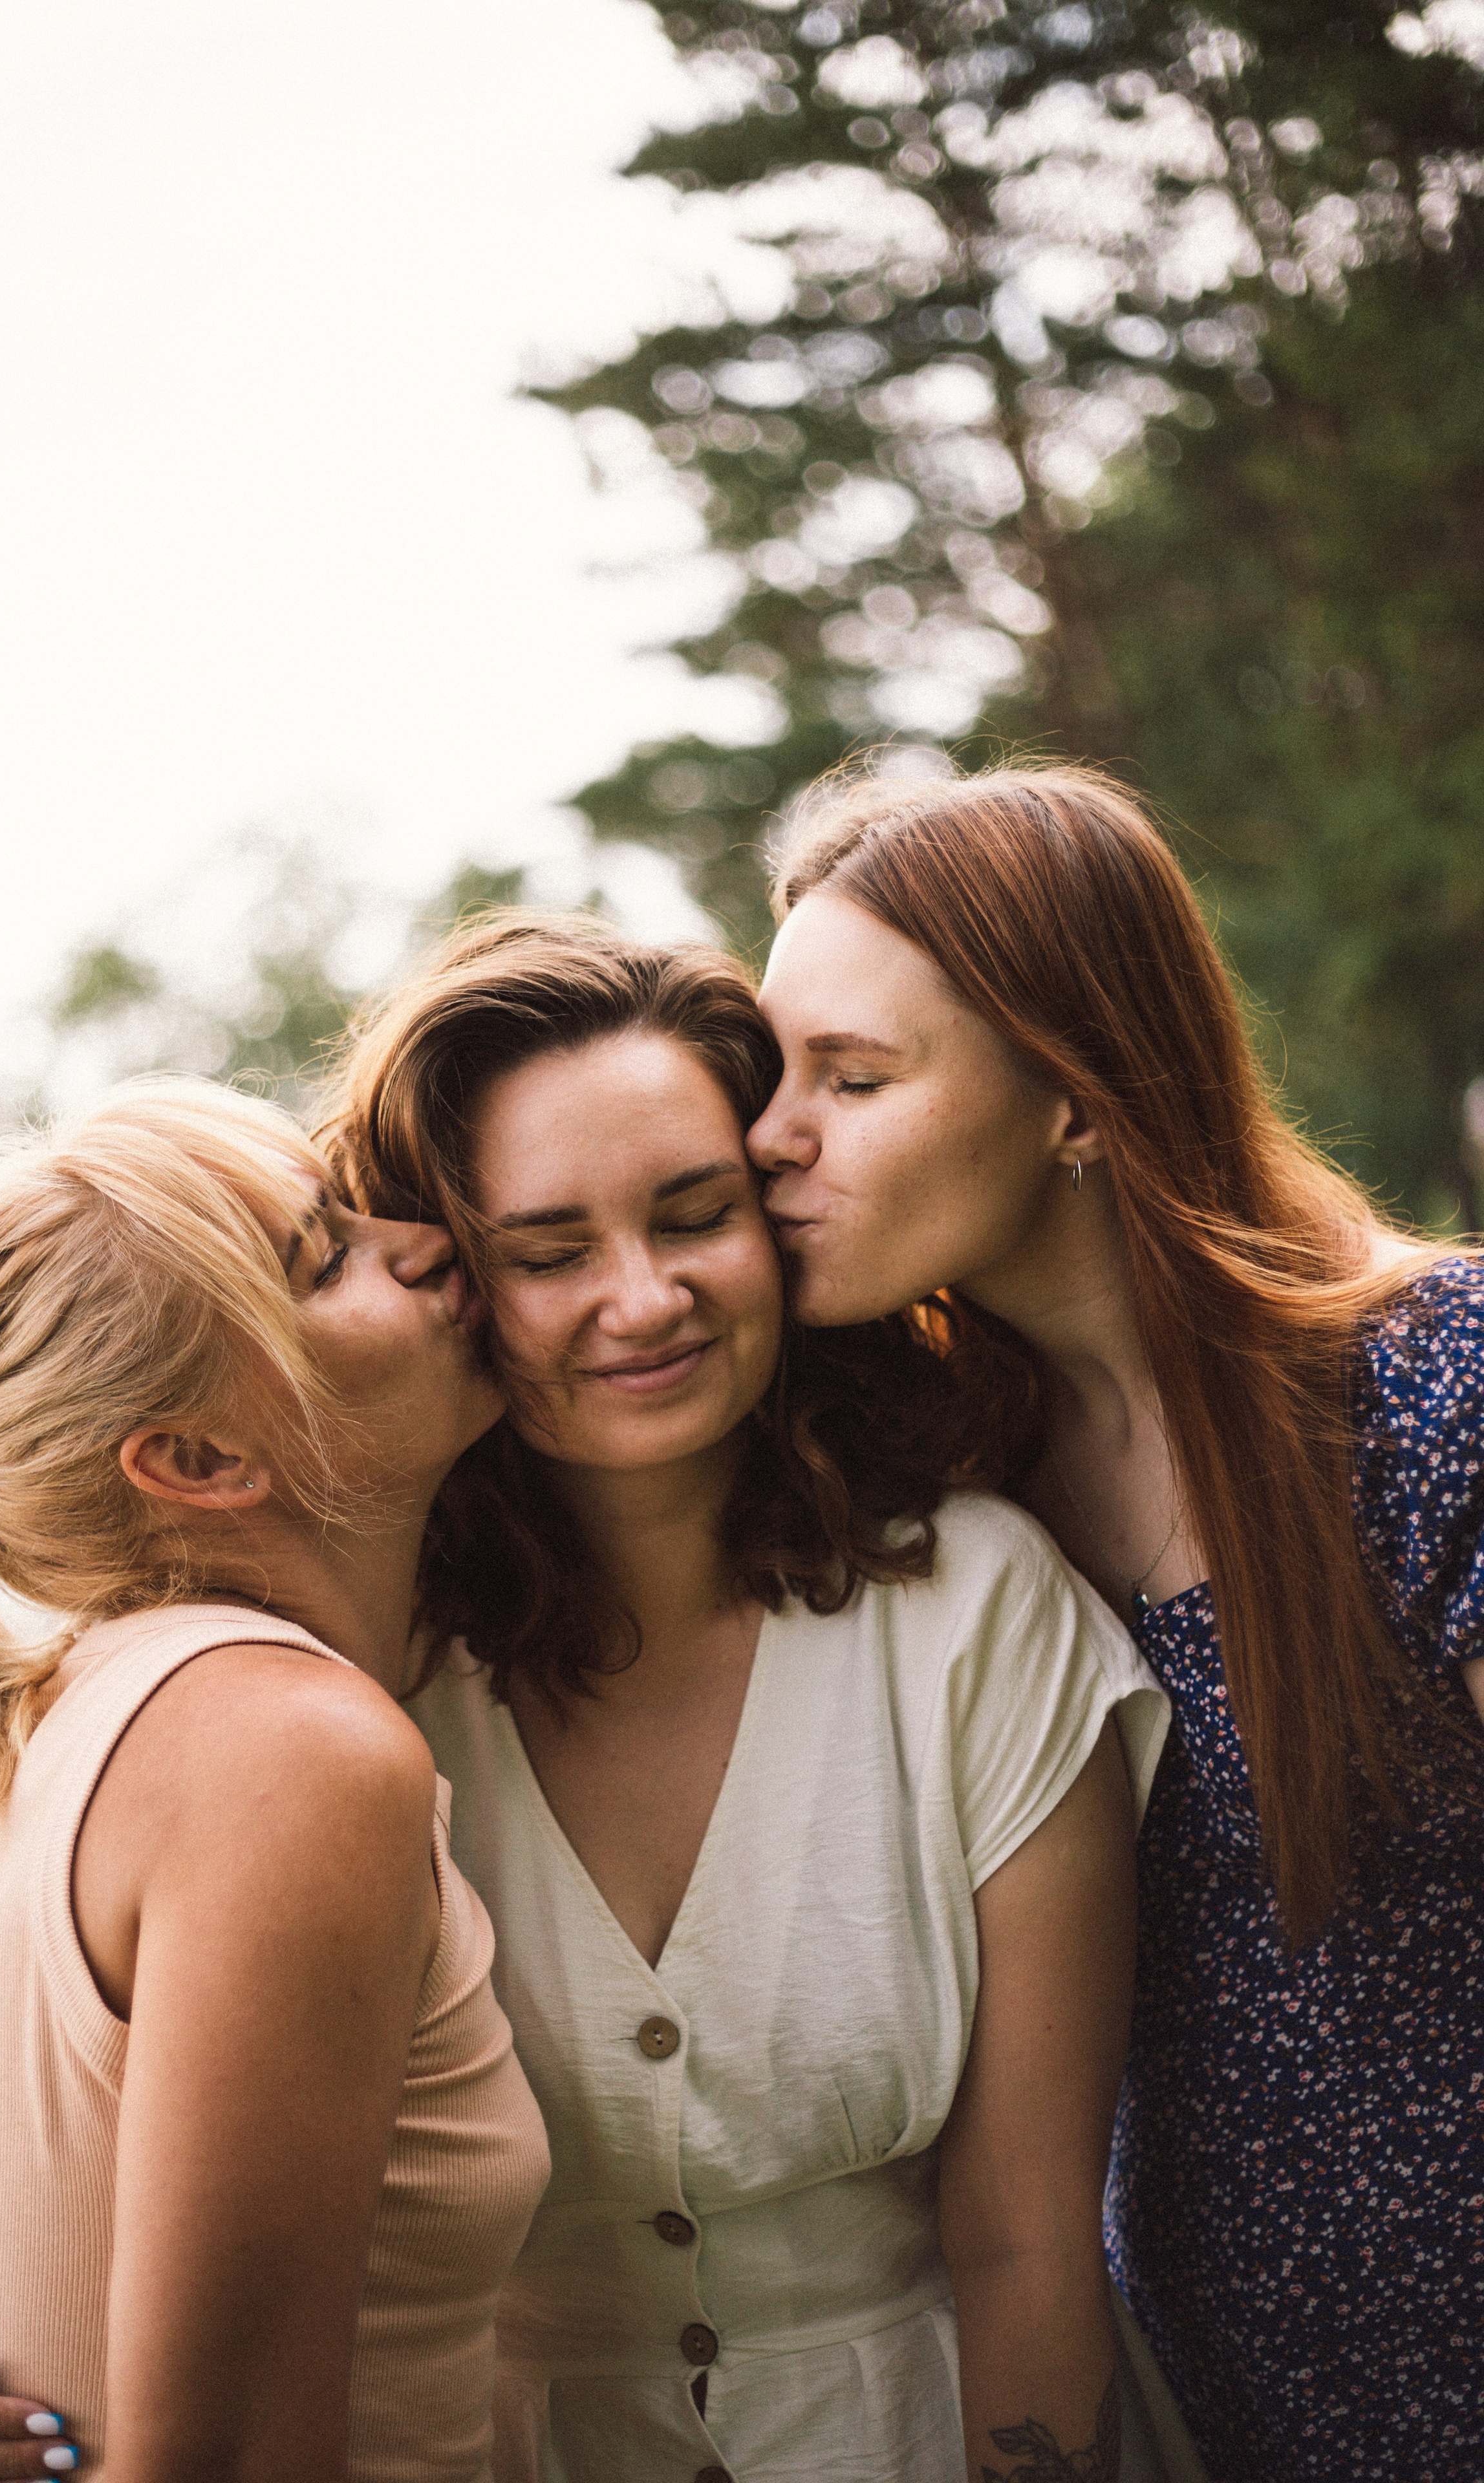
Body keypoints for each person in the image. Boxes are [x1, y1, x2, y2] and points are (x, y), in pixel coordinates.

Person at [323, 918, 1177, 2482]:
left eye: (692, 1214)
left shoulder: (973, 1611)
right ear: (444, 1279)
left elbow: (1028, 2240)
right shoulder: (365, 1688)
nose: (641, 1300)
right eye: (548, 1251)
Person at [743, 760, 1484, 2483]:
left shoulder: (1431, 1394)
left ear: (1079, 1098)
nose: (775, 1136)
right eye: (770, 1075)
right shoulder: (933, 1481)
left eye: (853, 1079)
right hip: (1225, 2429)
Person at [0, 1079, 548, 2483]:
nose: (417, 1242)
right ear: (203, 1460)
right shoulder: (288, 1756)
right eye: (324, 1258)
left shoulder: (88, 1710)